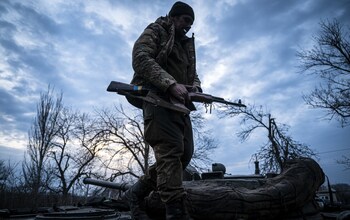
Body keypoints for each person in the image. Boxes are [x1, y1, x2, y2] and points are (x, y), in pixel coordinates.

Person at [123, 1, 201, 220]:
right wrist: (169, 84)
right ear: (174, 17)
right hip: (157, 100)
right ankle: (175, 211)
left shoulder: (186, 45)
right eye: (186, 20)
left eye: (191, 23)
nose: (188, 26)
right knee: (170, 150)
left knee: (184, 155)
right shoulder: (157, 30)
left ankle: (135, 193)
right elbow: (141, 58)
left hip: (179, 106)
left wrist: (196, 89)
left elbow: (192, 74)